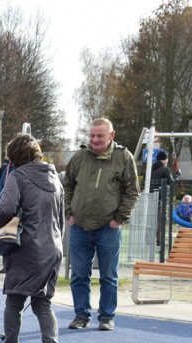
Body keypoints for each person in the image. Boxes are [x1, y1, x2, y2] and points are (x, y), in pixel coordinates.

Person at [0, 134, 64, 343]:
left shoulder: (18, 176)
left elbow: (4, 211)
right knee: (43, 304)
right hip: (53, 248)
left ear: (13, 158)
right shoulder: (55, 178)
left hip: (27, 248)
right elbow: (61, 219)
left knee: (13, 302)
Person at [63, 117, 140, 331]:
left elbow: (132, 191)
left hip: (108, 227)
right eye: (92, 135)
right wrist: (69, 213)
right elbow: (67, 186)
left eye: (100, 135)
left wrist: (119, 219)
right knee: (79, 274)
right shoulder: (79, 157)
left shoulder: (123, 157)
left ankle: (106, 317)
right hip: (79, 226)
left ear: (111, 136)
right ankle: (81, 315)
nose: (95, 140)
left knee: (108, 275)